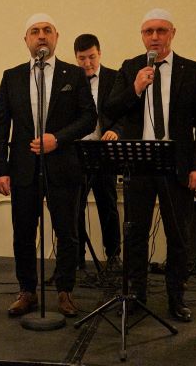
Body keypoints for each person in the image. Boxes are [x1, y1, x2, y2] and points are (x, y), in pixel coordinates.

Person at [104, 9, 196, 322]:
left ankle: (176, 297)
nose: (154, 37)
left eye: (161, 31)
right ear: (142, 35)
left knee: (178, 235)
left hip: (177, 163)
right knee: (135, 234)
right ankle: (136, 295)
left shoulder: (193, 70)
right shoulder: (130, 68)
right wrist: (135, 88)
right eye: (148, 31)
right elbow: (111, 109)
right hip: (139, 162)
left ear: (172, 33)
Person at [0, 13, 97, 317]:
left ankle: (65, 291)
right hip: (23, 168)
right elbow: (0, 125)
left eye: (47, 30)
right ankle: (27, 291)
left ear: (56, 37)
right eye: (35, 31)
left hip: (64, 166)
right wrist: (0, 170)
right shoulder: (11, 76)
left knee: (68, 232)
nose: (41, 35)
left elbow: (89, 118)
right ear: (26, 40)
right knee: (23, 232)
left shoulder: (73, 74)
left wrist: (57, 139)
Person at [73, 33, 122, 272]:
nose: (87, 63)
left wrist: (116, 131)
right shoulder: (70, 80)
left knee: (108, 205)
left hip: (104, 151)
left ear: (100, 53)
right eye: (82, 58)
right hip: (76, 152)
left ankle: (113, 256)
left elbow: (124, 112)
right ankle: (76, 259)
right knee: (74, 207)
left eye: (92, 57)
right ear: (75, 58)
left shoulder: (115, 78)